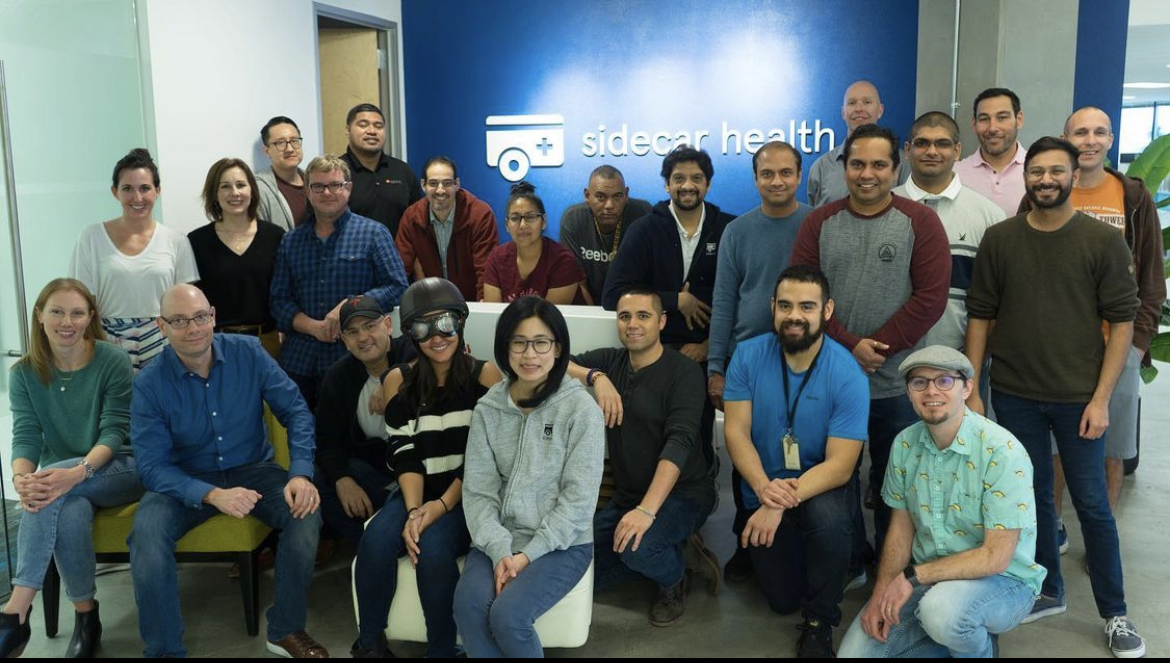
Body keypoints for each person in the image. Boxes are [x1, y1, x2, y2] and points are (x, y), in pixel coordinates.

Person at [965, 137, 1145, 658]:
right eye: (1037, 171)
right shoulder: (1001, 240)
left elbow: (1122, 320)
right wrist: (974, 386)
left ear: (1073, 174)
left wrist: (1101, 399)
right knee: (1034, 499)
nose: (1045, 179)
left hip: (1078, 398)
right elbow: (981, 313)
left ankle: (1115, 614)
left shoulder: (1101, 241)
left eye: (1056, 171)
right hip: (1016, 394)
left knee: (1092, 506)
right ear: (1028, 176)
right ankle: (1049, 590)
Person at [128, 284, 326, 659]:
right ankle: (165, 651)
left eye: (201, 317)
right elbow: (152, 466)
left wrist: (300, 472)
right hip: (182, 481)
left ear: (214, 316)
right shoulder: (149, 384)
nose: (194, 328)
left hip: (253, 471)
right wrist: (211, 495)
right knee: (146, 537)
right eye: (180, 321)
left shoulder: (249, 353)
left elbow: (297, 411)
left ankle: (285, 628)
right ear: (161, 325)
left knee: (306, 513)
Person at [791, 123, 950, 557]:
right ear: (844, 167)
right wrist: (849, 347)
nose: (868, 173)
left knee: (892, 486)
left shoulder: (921, 222)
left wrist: (875, 348)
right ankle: (845, 561)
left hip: (896, 386)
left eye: (879, 164)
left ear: (896, 169)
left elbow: (930, 299)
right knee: (830, 480)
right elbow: (803, 296)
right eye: (857, 163)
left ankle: (888, 568)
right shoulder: (819, 222)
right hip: (828, 383)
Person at [837, 346, 1044, 658]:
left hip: (1002, 582)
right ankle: (961, 637)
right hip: (930, 580)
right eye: (919, 382)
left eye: (945, 380)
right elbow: (901, 529)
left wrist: (911, 577)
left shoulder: (1002, 452)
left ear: (967, 387)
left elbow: (996, 556)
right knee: (854, 655)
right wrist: (881, 592)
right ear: (908, 392)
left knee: (942, 613)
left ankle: (976, 644)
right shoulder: (905, 444)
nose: (931, 391)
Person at [351, 278, 503, 658]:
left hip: (468, 494)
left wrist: (438, 508)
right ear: (410, 334)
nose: (437, 336)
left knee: (433, 549)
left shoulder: (486, 377)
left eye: (446, 323)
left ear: (461, 323)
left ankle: (443, 648)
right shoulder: (397, 381)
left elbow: (485, 461)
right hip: (416, 488)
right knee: (374, 541)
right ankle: (370, 642)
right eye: (423, 327)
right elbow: (404, 453)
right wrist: (416, 509)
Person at [723, 266, 869, 658]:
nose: (794, 315)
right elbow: (736, 433)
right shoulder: (748, 356)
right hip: (763, 482)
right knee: (782, 600)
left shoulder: (847, 374)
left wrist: (776, 501)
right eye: (785, 305)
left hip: (821, 484)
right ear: (772, 307)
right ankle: (817, 563)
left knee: (830, 522)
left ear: (826, 310)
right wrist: (762, 489)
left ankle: (821, 621)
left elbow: (841, 465)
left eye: (807, 306)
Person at [1029, 107, 1166, 524]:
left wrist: (1137, 344)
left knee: (1111, 447)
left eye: (1099, 133)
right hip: (1052, 348)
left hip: (1116, 344)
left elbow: (1151, 278)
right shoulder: (1042, 190)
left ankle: (1100, 533)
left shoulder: (1134, 198)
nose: (1089, 140)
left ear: (1110, 141)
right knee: (1052, 446)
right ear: (1065, 137)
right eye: (1081, 132)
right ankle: (1051, 527)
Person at [453, 296, 604, 658]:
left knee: (508, 616)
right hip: (499, 539)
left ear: (558, 349)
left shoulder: (580, 409)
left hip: (561, 544)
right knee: (468, 607)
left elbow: (579, 501)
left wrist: (527, 555)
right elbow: (478, 493)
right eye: (519, 342)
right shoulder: (489, 408)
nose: (529, 354)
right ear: (505, 348)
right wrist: (500, 548)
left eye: (541, 342)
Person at [1, 278, 140, 658]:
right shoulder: (24, 373)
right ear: (40, 316)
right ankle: (86, 617)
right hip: (64, 481)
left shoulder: (110, 359)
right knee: (68, 512)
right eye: (57, 311)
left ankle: (15, 611)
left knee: (52, 491)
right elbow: (26, 435)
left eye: (77, 313)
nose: (67, 321)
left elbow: (115, 431)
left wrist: (76, 472)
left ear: (90, 317)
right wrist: (21, 478)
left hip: (119, 466)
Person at [570, 287, 719, 627]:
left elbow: (678, 445)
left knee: (637, 549)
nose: (632, 324)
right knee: (577, 567)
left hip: (685, 494)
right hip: (628, 497)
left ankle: (674, 577)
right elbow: (553, 363)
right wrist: (596, 377)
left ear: (662, 321)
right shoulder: (611, 361)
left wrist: (646, 511)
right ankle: (669, 550)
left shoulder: (684, 373)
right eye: (625, 316)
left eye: (643, 316)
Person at [706, 141, 812, 581]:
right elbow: (724, 300)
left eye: (785, 173)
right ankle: (746, 542)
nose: (776, 181)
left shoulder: (815, 224)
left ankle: (805, 535)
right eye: (767, 173)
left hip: (805, 358)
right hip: (747, 359)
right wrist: (716, 365)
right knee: (744, 447)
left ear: (799, 176)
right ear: (755, 179)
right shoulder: (738, 231)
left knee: (801, 448)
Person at [269, 154, 408, 411]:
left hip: (354, 359)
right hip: (299, 362)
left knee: (352, 438)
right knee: (301, 438)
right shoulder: (291, 241)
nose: (327, 193)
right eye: (318, 186)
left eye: (335, 185)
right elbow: (278, 301)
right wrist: (312, 326)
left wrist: (349, 306)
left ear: (349, 188)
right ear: (309, 192)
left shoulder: (374, 233)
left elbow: (397, 287)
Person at [70, 148, 199, 371]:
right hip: (107, 340)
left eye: (145, 188)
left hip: (164, 339)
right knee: (116, 405)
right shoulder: (91, 237)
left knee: (162, 404)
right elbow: (81, 301)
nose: (137, 198)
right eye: (127, 189)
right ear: (114, 191)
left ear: (157, 191)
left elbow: (186, 306)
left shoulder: (176, 240)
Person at [892, 112, 1004, 351]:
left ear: (957, 150)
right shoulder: (884, 208)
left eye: (942, 143)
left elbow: (997, 302)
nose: (932, 151)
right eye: (922, 143)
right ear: (908, 149)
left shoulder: (990, 217)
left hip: (959, 366)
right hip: (888, 363)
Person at [313, 295, 416, 541]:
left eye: (370, 326)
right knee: (316, 480)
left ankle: (384, 535)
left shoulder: (412, 350)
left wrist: (393, 378)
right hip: (373, 474)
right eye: (352, 332)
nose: (363, 337)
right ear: (345, 341)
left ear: (388, 326)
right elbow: (326, 440)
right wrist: (342, 479)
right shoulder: (338, 378)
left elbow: (441, 361)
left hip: (418, 473)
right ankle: (367, 538)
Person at [189, 158, 286, 358]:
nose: (234, 193)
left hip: (267, 343)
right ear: (214, 193)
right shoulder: (197, 241)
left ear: (252, 190)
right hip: (216, 345)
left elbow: (286, 293)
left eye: (241, 185)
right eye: (225, 186)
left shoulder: (275, 236)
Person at [395, 156, 499, 301]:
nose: (440, 190)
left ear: (457, 184)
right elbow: (400, 270)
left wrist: (482, 309)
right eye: (433, 183)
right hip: (431, 306)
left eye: (447, 183)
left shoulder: (480, 215)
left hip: (472, 304)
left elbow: (486, 270)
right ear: (423, 185)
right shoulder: (411, 218)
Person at [806, 81, 910, 207]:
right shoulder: (821, 167)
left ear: (880, 110)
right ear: (843, 112)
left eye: (867, 102)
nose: (859, 109)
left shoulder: (903, 163)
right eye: (852, 103)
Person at [482, 182, 587, 304]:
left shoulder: (562, 261)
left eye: (530, 217)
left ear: (544, 221)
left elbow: (550, 319)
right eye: (515, 218)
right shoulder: (497, 258)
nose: (522, 225)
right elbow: (493, 314)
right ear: (507, 225)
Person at [559, 165, 652, 303]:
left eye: (617, 196)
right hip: (589, 305)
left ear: (626, 195)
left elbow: (649, 275)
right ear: (587, 195)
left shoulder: (643, 215)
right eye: (601, 197)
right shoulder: (574, 219)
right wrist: (595, 320)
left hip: (633, 305)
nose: (609, 205)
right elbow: (578, 282)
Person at [339, 103, 423, 238]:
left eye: (378, 126)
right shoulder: (335, 172)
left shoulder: (402, 171)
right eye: (363, 125)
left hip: (397, 257)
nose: (372, 131)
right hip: (350, 256)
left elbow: (420, 221)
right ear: (348, 131)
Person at [954, 88, 1027, 216]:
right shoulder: (955, 175)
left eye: (1002, 118)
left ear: (1019, 120)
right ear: (974, 124)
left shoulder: (1039, 173)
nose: (992, 128)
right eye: (984, 119)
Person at [255, 116, 309, 231]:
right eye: (281, 143)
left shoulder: (315, 182)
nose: (289, 149)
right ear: (267, 151)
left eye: (294, 141)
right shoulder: (259, 189)